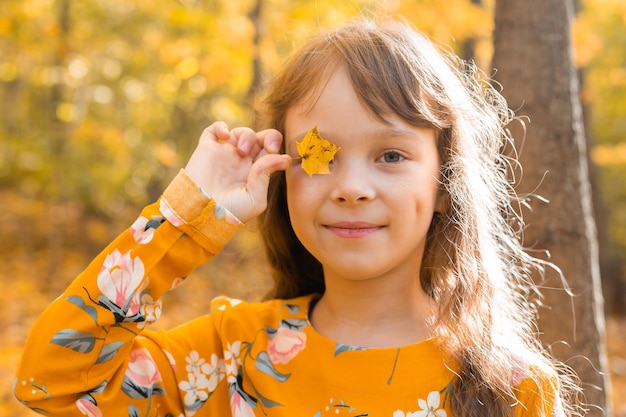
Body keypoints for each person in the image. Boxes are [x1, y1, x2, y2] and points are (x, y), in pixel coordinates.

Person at [14, 16, 581, 417]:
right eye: (319, 154)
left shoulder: (511, 390)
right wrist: (187, 216)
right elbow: (51, 382)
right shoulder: (229, 355)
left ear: (444, 182)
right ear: (283, 175)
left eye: (391, 155)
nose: (352, 189)